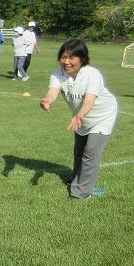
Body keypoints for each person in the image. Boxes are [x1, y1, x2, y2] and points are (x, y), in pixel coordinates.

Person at [39, 39, 118, 200]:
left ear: (82, 58)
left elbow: (89, 100)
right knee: (78, 151)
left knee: (90, 152)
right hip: (81, 118)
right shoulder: (58, 73)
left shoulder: (91, 74)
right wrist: (47, 100)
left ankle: (81, 192)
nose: (66, 62)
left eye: (71, 58)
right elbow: (53, 92)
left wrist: (79, 115)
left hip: (102, 116)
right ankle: (76, 179)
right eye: (63, 57)